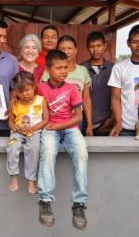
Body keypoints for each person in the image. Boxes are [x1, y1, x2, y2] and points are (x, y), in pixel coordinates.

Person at [37, 50, 88, 230]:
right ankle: (45, 200)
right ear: (48, 69)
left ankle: (79, 203)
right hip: (49, 129)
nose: (63, 71)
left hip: (69, 128)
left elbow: (78, 117)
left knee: (81, 152)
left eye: (65, 67)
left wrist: (59, 126)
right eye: (58, 68)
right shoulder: (40, 88)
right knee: (49, 151)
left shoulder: (72, 89)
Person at [42, 35, 93, 136]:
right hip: (53, 119)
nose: (66, 51)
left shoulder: (83, 71)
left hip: (76, 119)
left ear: (75, 50)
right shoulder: (48, 72)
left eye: (69, 48)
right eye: (63, 49)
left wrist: (90, 124)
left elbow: (86, 99)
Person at [7, 71, 48, 194]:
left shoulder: (40, 101)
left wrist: (34, 129)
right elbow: (10, 121)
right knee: (12, 146)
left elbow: (46, 119)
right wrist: (15, 127)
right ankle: (13, 176)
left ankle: (31, 179)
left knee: (34, 148)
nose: (24, 94)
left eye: (27, 90)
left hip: (34, 132)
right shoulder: (14, 103)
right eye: (20, 92)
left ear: (34, 87)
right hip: (18, 132)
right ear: (15, 91)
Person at [80, 31, 114, 136]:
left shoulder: (113, 68)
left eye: (99, 46)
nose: (95, 50)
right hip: (84, 123)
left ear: (104, 45)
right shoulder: (81, 68)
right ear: (87, 47)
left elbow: (119, 97)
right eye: (92, 46)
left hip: (107, 123)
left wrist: (112, 119)